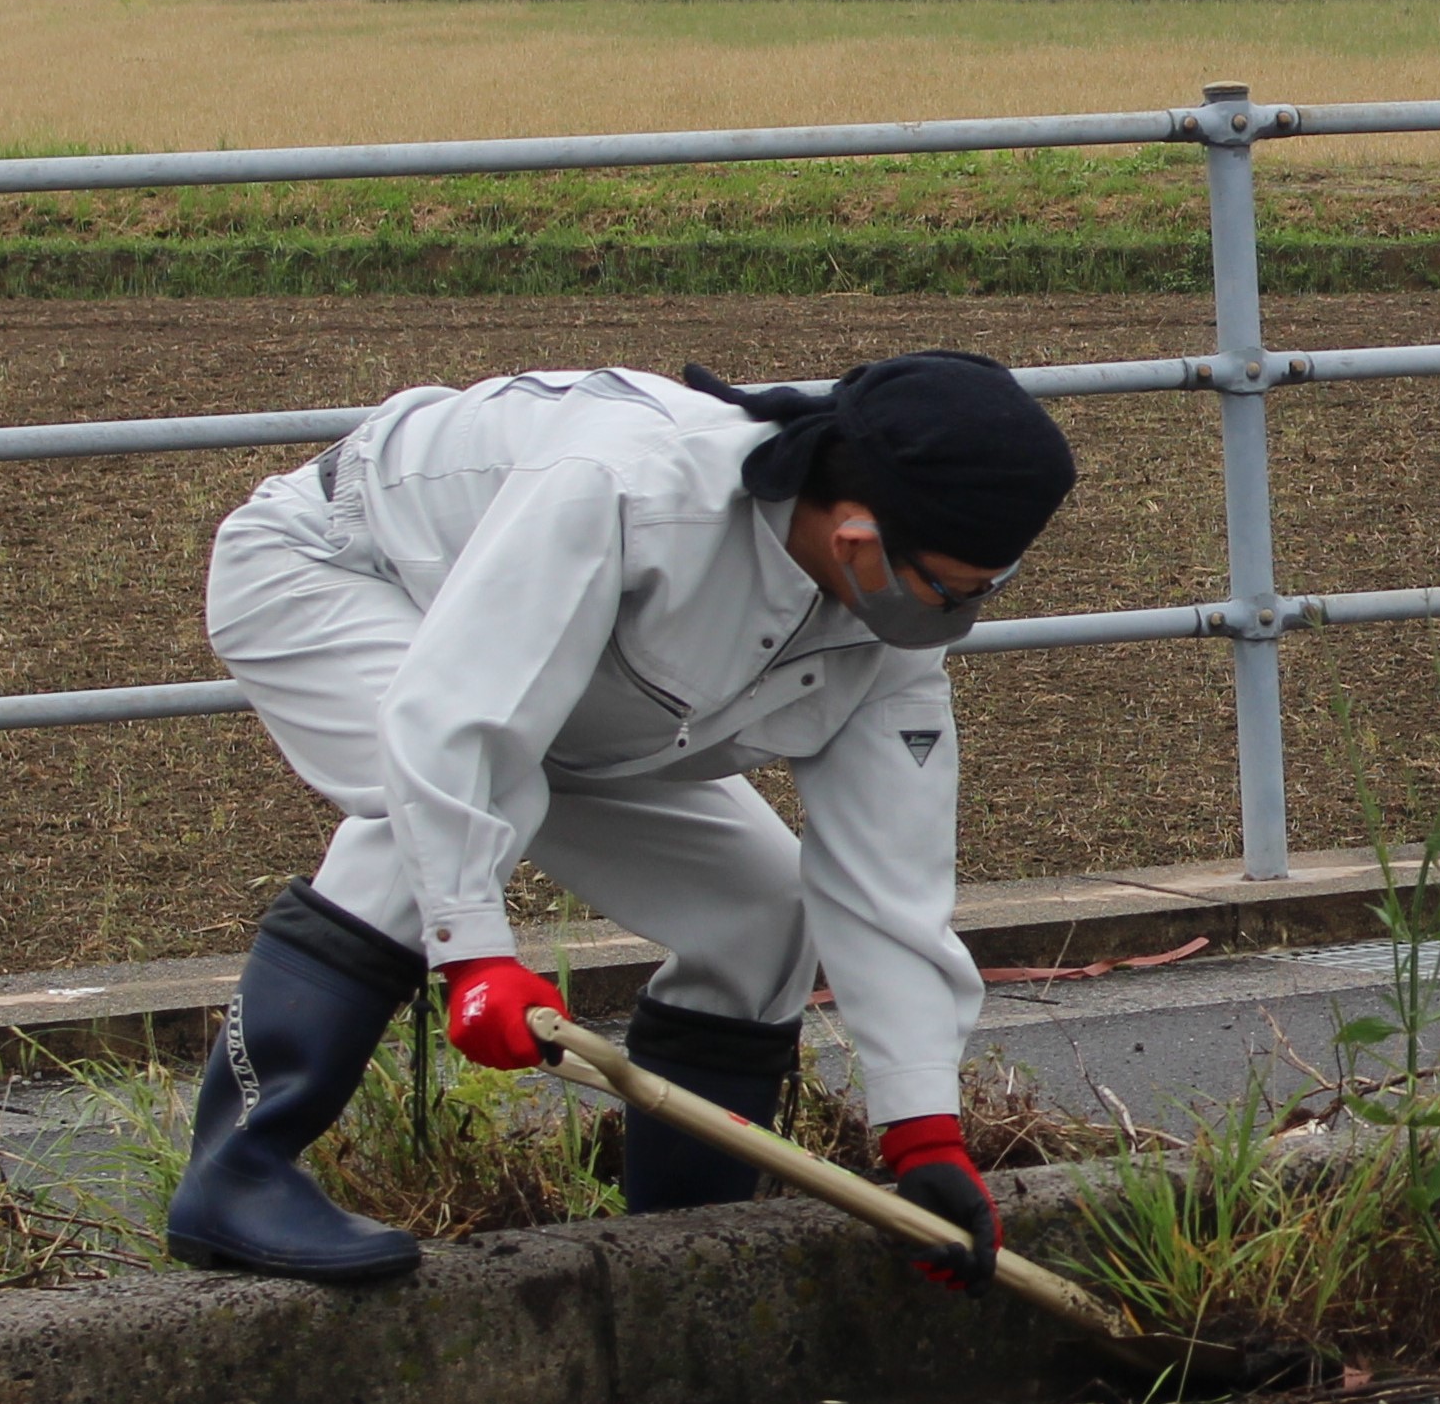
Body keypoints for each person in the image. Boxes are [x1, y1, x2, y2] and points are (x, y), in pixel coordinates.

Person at [166, 350, 1079, 1285]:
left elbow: (891, 877)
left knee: (761, 916)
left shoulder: (883, 630)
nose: (962, 618)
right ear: (854, 539)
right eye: (956, 590)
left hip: (567, 697)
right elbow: (462, 722)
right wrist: (475, 955)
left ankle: (684, 1243)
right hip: (344, 571)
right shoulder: (627, 487)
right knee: (451, 808)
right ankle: (237, 1171)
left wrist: (921, 1135)